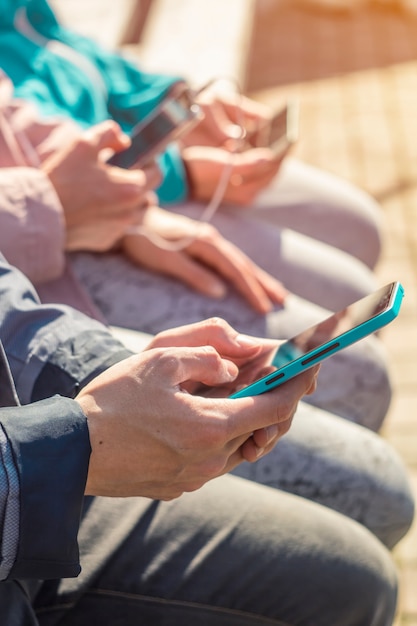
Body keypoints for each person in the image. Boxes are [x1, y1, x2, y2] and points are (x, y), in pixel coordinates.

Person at [0, 254, 411, 625]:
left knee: (360, 573)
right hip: (34, 476)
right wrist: (59, 453)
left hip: (47, 461)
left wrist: (105, 372)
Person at [0, 69, 392, 432]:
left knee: (358, 253)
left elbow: (41, 71)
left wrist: (160, 103)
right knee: (362, 381)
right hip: (44, 279)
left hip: (77, 220)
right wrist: (49, 204)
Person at [0, 0, 383, 270]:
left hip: (136, 165)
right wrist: (182, 173)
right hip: (83, 224)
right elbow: (37, 148)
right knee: (348, 324)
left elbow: (55, 43)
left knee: (360, 225)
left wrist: (163, 99)